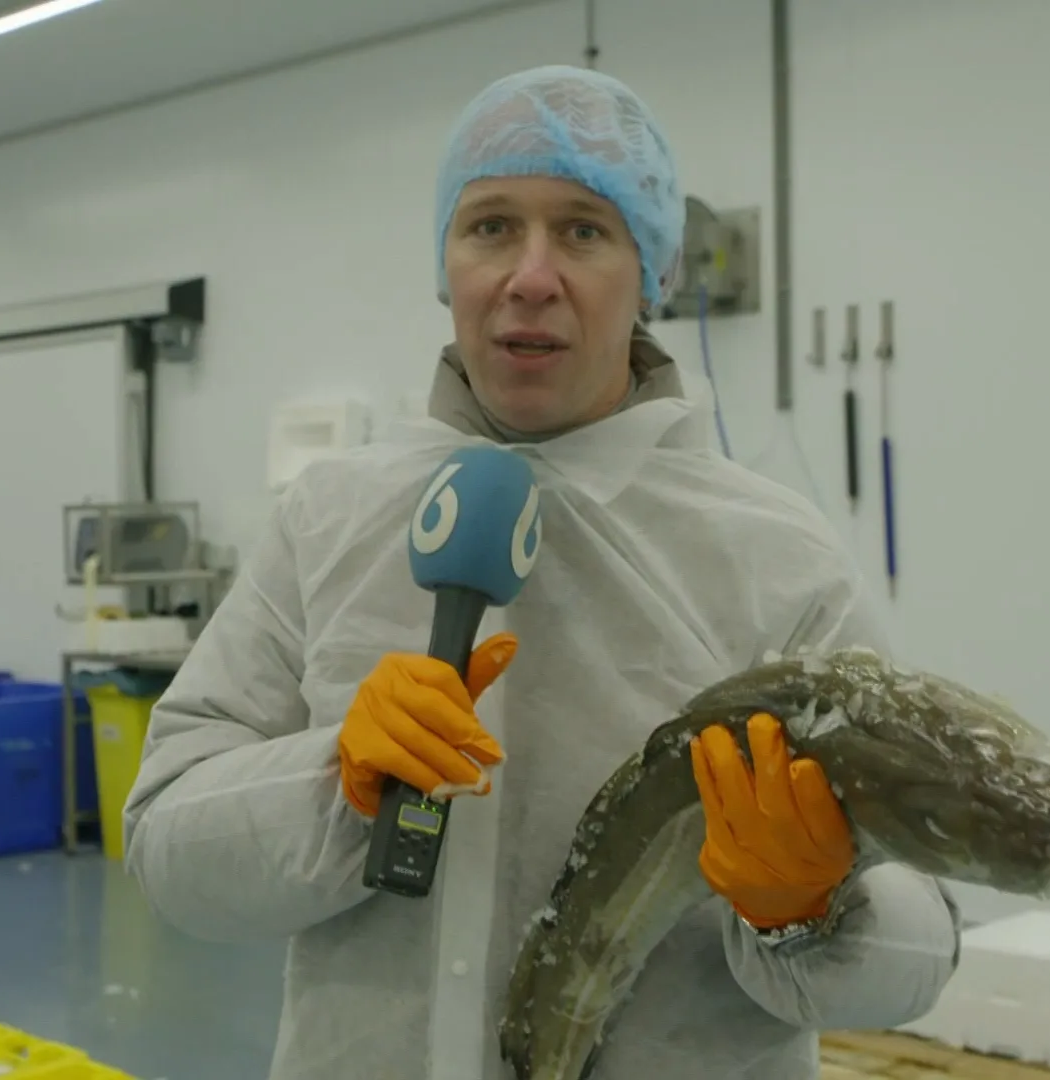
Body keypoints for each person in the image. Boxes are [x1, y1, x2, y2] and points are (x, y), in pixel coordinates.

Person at [123, 64, 961, 1079]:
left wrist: (813, 908)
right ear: (446, 267)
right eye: (489, 227)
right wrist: (331, 783)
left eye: (582, 231)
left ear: (651, 274)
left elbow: (928, 928)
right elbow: (166, 845)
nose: (529, 275)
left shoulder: (772, 557)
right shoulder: (328, 519)